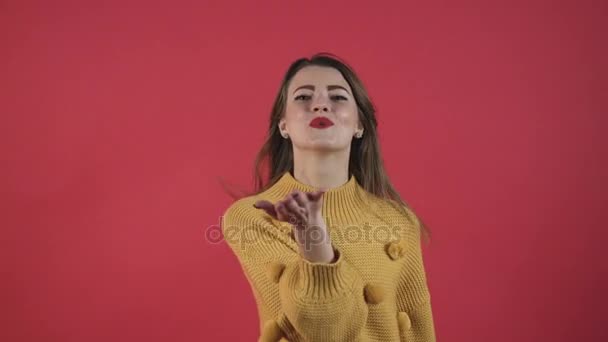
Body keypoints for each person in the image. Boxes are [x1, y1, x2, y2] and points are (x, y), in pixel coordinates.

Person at [220, 53, 436, 341]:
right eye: (302, 97)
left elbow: (419, 330)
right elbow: (323, 330)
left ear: (360, 125)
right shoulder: (252, 217)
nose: (320, 104)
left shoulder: (398, 220)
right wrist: (314, 238)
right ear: (283, 125)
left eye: (338, 97)